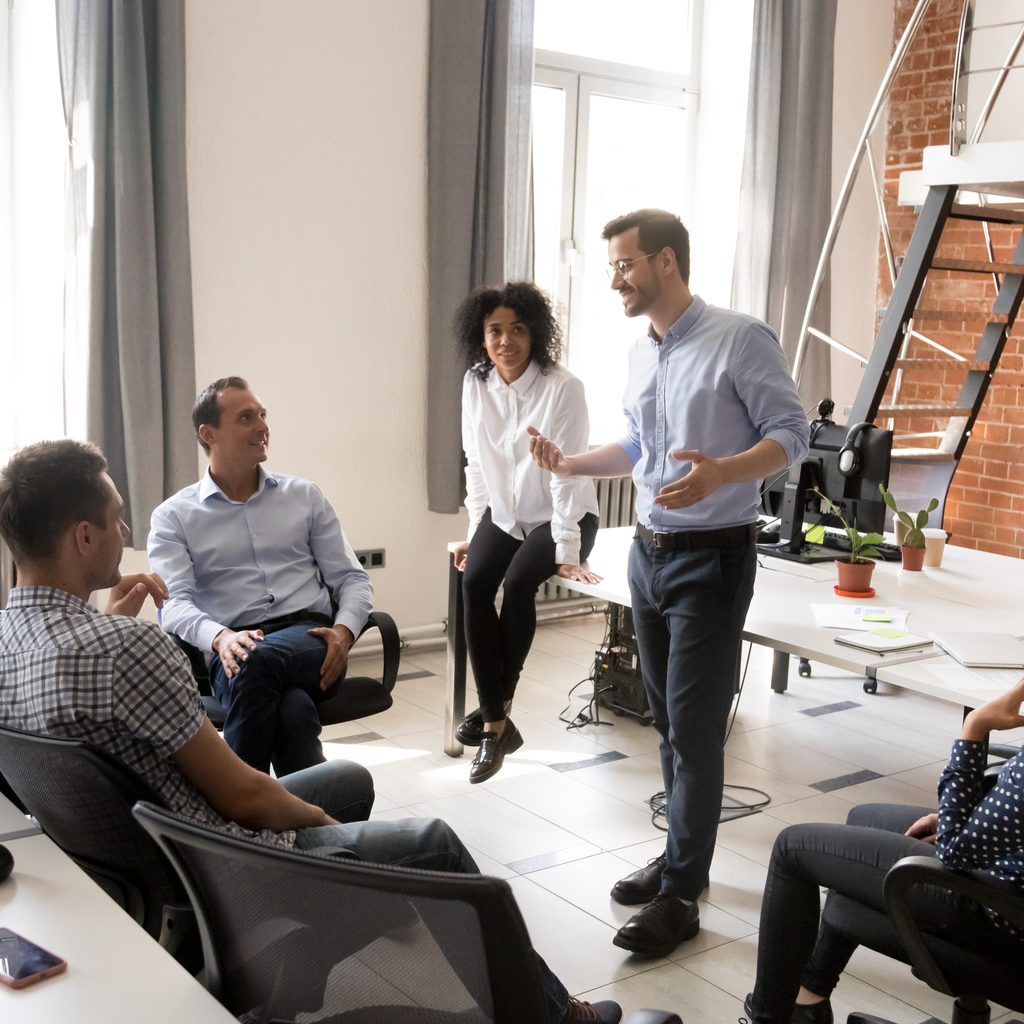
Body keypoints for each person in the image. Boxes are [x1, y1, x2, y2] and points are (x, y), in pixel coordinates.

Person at [0, 439, 624, 1024]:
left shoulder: (12, 644)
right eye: (114, 519)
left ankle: (301, 960)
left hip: (134, 869)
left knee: (346, 777)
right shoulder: (126, 650)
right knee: (433, 840)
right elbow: (244, 796)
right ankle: (555, 1015)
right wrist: (334, 837)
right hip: (224, 866)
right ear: (84, 536)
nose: (125, 532)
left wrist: (110, 625)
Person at [530, 209, 809, 957]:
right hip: (648, 558)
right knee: (666, 722)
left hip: (713, 559)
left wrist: (726, 471)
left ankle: (682, 893)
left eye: (623, 264)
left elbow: (790, 434)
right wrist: (569, 464)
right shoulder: (640, 353)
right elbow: (636, 445)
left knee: (693, 728)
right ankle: (680, 860)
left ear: (666, 263)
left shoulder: (739, 338)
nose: (614, 279)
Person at [744, 678, 1024, 1024]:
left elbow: (953, 851)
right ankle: (807, 1000)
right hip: (1007, 872)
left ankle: (771, 1017)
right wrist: (969, 816)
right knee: (863, 820)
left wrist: (975, 728)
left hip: (998, 913)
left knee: (793, 848)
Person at [148, 376, 373, 778]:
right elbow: (174, 604)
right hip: (231, 647)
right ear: (208, 433)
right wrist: (220, 637)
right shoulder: (173, 516)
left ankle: (234, 811)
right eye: (246, 417)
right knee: (293, 711)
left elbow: (351, 579)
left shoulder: (305, 496)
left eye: (263, 415)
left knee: (256, 665)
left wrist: (344, 631)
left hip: (310, 641)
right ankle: (308, 826)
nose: (262, 426)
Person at [451, 282, 601, 783]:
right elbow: (475, 462)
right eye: (495, 330)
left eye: (517, 329)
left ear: (534, 333)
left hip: (566, 513)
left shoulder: (563, 387)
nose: (506, 341)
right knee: (472, 583)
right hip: (506, 515)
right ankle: (497, 722)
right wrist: (476, 531)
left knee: (517, 584)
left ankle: (495, 716)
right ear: (482, 335)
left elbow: (566, 472)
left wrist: (566, 548)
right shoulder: (476, 384)